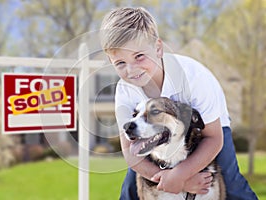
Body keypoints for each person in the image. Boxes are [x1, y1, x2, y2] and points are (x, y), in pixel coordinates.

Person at [100, 7, 258, 200]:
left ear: (158, 48)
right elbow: (130, 151)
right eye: (120, 63)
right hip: (152, 133)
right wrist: (175, 181)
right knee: (130, 190)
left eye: (139, 56)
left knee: (232, 185)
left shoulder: (194, 77)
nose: (131, 70)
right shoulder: (125, 91)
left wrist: (181, 174)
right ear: (111, 61)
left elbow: (214, 138)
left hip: (209, 127)